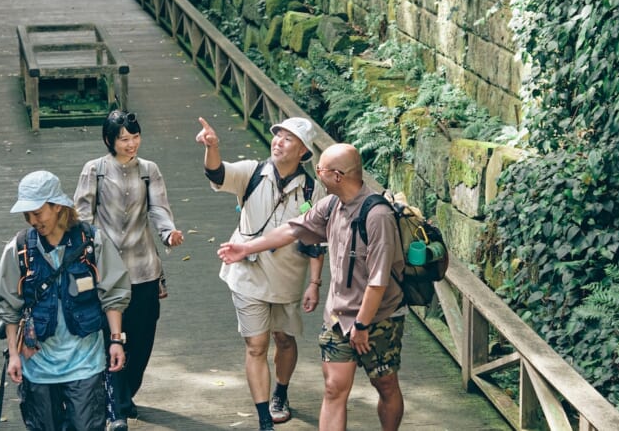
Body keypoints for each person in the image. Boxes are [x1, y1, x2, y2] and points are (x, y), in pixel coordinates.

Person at [217, 143, 407, 431]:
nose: (316, 174)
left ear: (338, 176)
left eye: (321, 170)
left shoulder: (377, 216)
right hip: (339, 316)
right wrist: (246, 248)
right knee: (333, 388)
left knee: (385, 385)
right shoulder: (331, 205)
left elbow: (378, 280)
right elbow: (292, 229)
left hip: (378, 319)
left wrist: (363, 324)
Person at [195, 116, 325, 431]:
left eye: (288, 138)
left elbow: (314, 241)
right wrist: (212, 147)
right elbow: (218, 172)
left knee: (284, 339)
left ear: (304, 151)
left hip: (287, 278)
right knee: (256, 344)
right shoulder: (253, 171)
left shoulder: (311, 190)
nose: (279, 141)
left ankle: (281, 392)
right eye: (277, 135)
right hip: (246, 273)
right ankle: (264, 417)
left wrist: (315, 283)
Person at [0, 170, 131, 431]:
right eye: (27, 214)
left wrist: (115, 340)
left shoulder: (92, 242)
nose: (33, 220)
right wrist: (13, 355)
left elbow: (113, 294)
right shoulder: (18, 249)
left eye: (38, 212)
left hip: (85, 363)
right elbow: (9, 308)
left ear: (57, 207)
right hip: (38, 367)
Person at [74, 110, 184, 431]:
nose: (131, 144)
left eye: (135, 137)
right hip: (107, 273)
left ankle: (127, 390)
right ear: (110, 140)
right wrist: (91, 256)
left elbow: (159, 209)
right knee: (113, 338)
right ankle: (116, 404)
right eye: (124, 138)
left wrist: (169, 233)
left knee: (143, 336)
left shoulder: (149, 170)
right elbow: (82, 216)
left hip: (144, 269)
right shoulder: (94, 170)